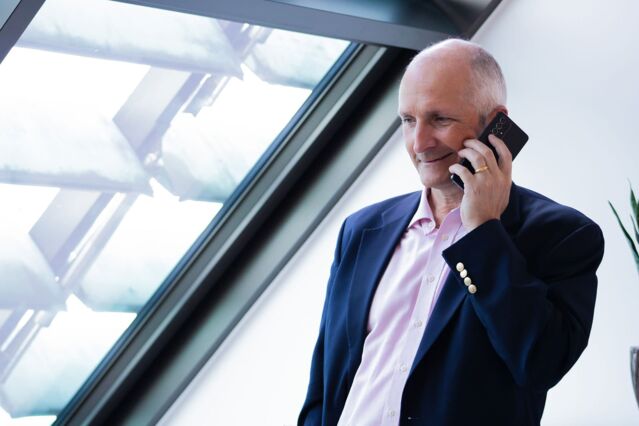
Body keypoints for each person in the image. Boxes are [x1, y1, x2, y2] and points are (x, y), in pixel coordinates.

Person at [297, 38, 605, 426]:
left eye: (439, 119)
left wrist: (483, 233)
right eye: (408, 120)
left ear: (496, 124)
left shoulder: (562, 236)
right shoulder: (362, 230)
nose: (420, 143)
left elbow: (540, 363)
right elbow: (324, 387)